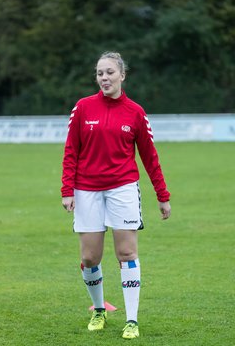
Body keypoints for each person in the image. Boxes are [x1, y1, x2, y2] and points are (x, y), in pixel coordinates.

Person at [61, 51, 171, 339]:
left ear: (122, 75)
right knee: (89, 257)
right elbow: (71, 150)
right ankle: (99, 310)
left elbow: (149, 156)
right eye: (100, 73)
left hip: (122, 188)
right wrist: (67, 190)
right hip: (86, 190)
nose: (104, 78)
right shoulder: (83, 108)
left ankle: (131, 320)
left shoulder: (135, 112)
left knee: (126, 253)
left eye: (110, 72)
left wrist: (162, 194)